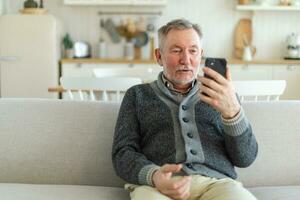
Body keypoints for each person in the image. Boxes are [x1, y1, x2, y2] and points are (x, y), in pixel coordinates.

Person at [112, 18, 258, 200]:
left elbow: (245, 158)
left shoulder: (225, 95)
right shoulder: (137, 95)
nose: (186, 59)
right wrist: (154, 176)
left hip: (216, 184)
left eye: (193, 51)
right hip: (158, 187)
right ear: (158, 56)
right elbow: (122, 154)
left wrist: (233, 112)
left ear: (201, 55)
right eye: (176, 50)